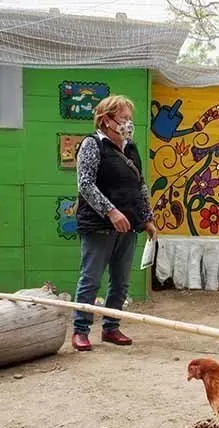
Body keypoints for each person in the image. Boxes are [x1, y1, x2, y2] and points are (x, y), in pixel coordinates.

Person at [71, 95, 157, 351]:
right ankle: (80, 330)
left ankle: (111, 327)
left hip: (128, 225)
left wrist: (147, 217)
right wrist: (111, 211)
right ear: (106, 120)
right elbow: (85, 184)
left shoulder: (130, 148)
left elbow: (140, 184)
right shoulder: (91, 144)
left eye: (130, 119)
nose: (128, 124)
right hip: (99, 226)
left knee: (121, 281)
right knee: (91, 279)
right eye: (123, 118)